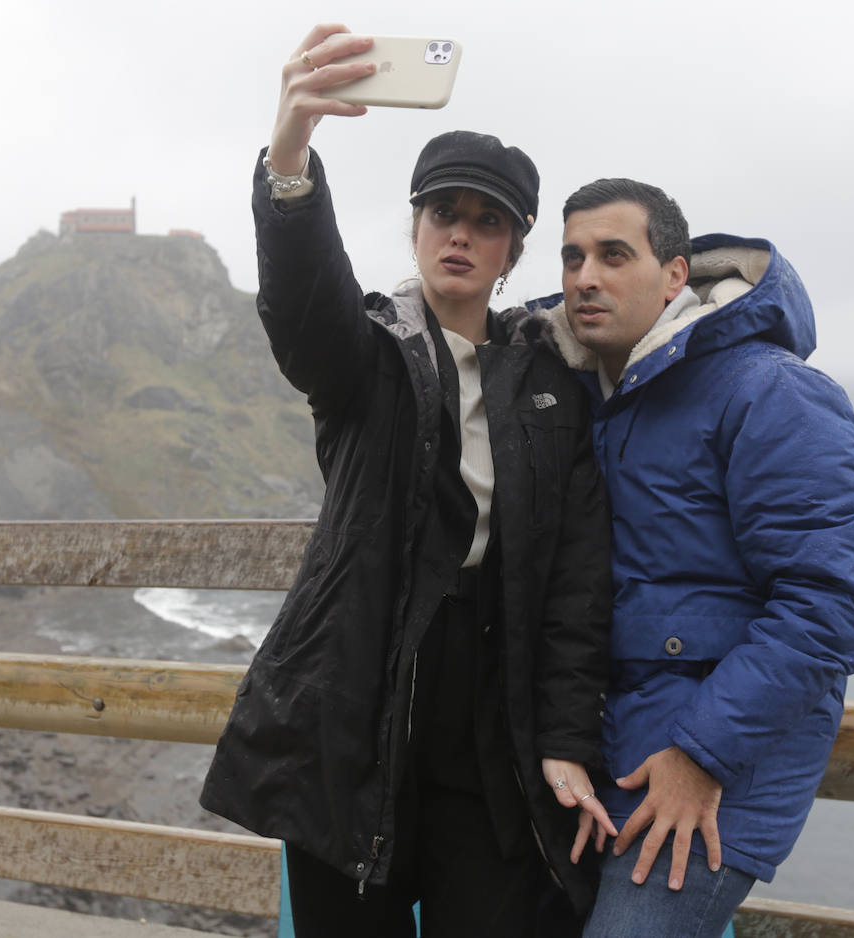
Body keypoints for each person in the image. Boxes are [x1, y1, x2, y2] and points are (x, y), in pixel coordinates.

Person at [200, 24, 616, 938]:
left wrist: (566, 743)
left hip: (489, 738)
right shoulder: (369, 355)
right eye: (444, 213)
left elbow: (576, 588)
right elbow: (305, 310)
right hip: (354, 718)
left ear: (512, 254)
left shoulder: (551, 385)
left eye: (487, 221)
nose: (461, 234)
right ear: (416, 225)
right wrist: (290, 153)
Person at [527, 178, 854, 936]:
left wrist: (701, 756)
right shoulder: (582, 388)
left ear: (675, 275)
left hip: (714, 768)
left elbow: (833, 610)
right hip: (597, 754)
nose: (585, 276)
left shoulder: (772, 394)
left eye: (614, 255)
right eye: (572, 256)